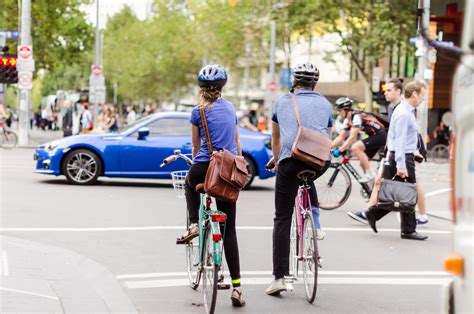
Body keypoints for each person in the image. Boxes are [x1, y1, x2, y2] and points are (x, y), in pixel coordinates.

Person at [175, 64, 245, 307]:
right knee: (230, 231)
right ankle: (237, 289)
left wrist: (199, 163)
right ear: (222, 87)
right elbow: (236, 142)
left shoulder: (197, 112)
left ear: (201, 89)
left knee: (189, 183)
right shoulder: (232, 108)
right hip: (227, 171)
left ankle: (194, 223)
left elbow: (196, 148)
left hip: (204, 168)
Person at [266, 62, 333, 296]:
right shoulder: (325, 103)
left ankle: (279, 278)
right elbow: (328, 137)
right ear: (315, 83)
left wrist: (277, 160)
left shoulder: (283, 101)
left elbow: (276, 138)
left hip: (290, 160)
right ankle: (315, 223)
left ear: (294, 82)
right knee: (309, 176)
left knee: (282, 218)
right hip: (320, 162)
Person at [348, 78, 429, 225]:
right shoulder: (396, 108)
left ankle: (372, 214)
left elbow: (404, 136)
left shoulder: (404, 108)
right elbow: (394, 134)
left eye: (389, 90)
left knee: (407, 186)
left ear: (399, 91)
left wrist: (401, 158)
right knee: (389, 184)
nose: (385, 93)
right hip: (398, 153)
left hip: (403, 154)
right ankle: (372, 214)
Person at [331, 97, 387, 182]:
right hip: (374, 136)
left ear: (346, 109)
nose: (338, 113)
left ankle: (370, 174)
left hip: (381, 135)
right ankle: (372, 188)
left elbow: (352, 137)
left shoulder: (356, 117)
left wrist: (340, 149)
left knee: (355, 147)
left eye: (339, 110)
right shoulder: (348, 120)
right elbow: (340, 137)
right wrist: (328, 147)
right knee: (363, 163)